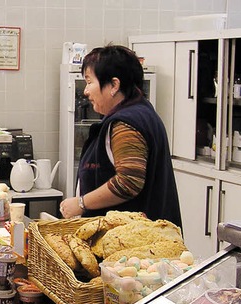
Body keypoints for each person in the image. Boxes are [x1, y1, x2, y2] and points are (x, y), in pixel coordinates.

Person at [59, 45, 182, 227]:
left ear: (114, 85)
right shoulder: (141, 113)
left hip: (132, 243)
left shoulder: (126, 124)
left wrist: (81, 203)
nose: (86, 91)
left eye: (89, 82)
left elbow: (129, 182)